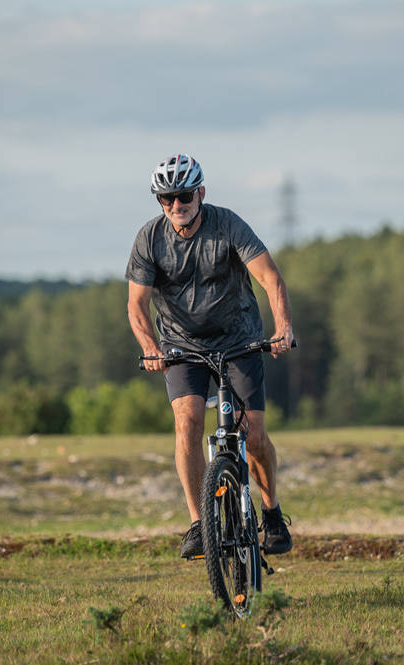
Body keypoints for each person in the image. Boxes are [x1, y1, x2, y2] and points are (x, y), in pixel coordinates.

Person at [126, 153, 295, 559]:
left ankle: (271, 514)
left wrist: (283, 328)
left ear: (200, 192)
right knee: (187, 424)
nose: (175, 206)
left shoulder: (229, 225)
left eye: (183, 196)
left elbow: (270, 277)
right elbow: (137, 304)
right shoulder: (149, 239)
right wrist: (150, 347)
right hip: (182, 347)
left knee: (253, 436)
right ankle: (200, 524)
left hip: (239, 339)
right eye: (165, 199)